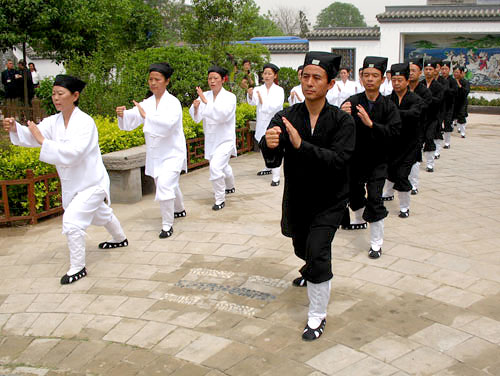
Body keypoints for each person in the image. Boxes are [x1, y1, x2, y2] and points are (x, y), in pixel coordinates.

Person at [260, 51, 355, 341]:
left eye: (317, 78)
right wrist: (270, 143)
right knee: (301, 246)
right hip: (298, 197)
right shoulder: (287, 115)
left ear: (329, 85)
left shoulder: (342, 122)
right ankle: (309, 265)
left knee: (318, 252)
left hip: (330, 199)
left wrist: (302, 146)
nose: (310, 82)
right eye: (305, 76)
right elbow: (271, 155)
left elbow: (340, 161)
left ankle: (316, 315)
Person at [3, 75, 128, 285]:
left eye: (60, 94)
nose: (56, 98)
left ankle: (78, 267)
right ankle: (120, 238)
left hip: (92, 183)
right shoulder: (54, 121)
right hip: (72, 184)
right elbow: (34, 134)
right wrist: (16, 128)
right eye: (54, 94)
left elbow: (74, 153)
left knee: (72, 222)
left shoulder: (85, 122)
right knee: (101, 213)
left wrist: (43, 141)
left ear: (75, 96)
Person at [340, 56, 401, 259]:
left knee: (375, 197)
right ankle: (358, 219)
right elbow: (337, 128)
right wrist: (342, 115)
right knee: (354, 194)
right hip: (356, 159)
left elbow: (395, 132)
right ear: (360, 77)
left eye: (375, 76)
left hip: (378, 160)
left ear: (382, 79)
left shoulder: (389, 106)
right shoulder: (352, 102)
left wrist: (372, 124)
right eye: (366, 75)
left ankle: (376, 243)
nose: (370, 79)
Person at [116, 62, 187, 239]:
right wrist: (122, 114)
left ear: (167, 81)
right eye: (150, 79)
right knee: (168, 184)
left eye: (157, 79)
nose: (153, 83)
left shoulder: (173, 103)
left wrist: (147, 117)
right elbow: (133, 117)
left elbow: (168, 125)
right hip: (156, 154)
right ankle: (179, 208)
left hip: (172, 152)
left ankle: (167, 224)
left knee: (164, 186)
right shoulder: (146, 103)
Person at [189, 66, 236, 211]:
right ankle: (230, 186)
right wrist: (196, 107)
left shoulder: (230, 97)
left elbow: (223, 116)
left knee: (215, 167)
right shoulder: (205, 95)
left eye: (215, 78)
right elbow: (197, 118)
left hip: (225, 139)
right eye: (210, 78)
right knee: (223, 166)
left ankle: (219, 199)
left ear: (223, 80)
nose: (212, 81)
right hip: (211, 139)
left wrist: (205, 102)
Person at [382, 63, 422, 218]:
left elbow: (413, 114)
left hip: (409, 145)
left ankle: (405, 207)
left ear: (407, 81)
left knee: (402, 174)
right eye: (394, 80)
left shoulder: (415, 99)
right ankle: (388, 192)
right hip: (392, 143)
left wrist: (393, 113)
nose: (397, 83)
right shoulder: (387, 99)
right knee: (390, 171)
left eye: (400, 80)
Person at [247, 63, 284, 186]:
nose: (267, 76)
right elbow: (253, 103)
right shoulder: (258, 89)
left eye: (269, 73)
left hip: (274, 122)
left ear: (275, 76)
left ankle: (276, 176)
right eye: (265, 73)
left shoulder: (279, 90)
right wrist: (251, 95)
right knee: (263, 145)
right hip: (261, 121)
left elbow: (276, 106)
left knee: (274, 147)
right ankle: (268, 167)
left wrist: (263, 102)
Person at [407, 57, 432, 196]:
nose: (410, 73)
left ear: (419, 72)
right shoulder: (401, 89)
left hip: (418, 129)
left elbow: (423, 109)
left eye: (413, 70)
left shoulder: (424, 91)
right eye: (409, 70)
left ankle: (414, 184)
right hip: (401, 130)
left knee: (414, 158)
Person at [422, 59, 444, 172]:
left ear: (435, 70)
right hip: (421, 117)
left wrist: (427, 98)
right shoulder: (420, 84)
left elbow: (439, 101)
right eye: (426, 69)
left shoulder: (438, 86)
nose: (428, 71)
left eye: (430, 69)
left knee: (430, 139)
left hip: (433, 117)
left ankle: (430, 163)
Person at [440, 61, 458, 149]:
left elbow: (455, 92)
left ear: (449, 70)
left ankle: (447, 142)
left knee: (447, 123)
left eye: (445, 69)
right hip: (440, 105)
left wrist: (446, 90)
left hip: (449, 105)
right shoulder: (439, 80)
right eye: (442, 69)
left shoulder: (452, 81)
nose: (443, 71)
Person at [453, 66, 470, 138]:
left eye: (457, 72)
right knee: (452, 116)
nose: (455, 74)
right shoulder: (451, 81)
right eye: (454, 72)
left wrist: (460, 86)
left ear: (461, 73)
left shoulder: (465, 82)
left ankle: (463, 133)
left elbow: (466, 92)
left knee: (462, 116)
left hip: (462, 102)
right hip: (454, 101)